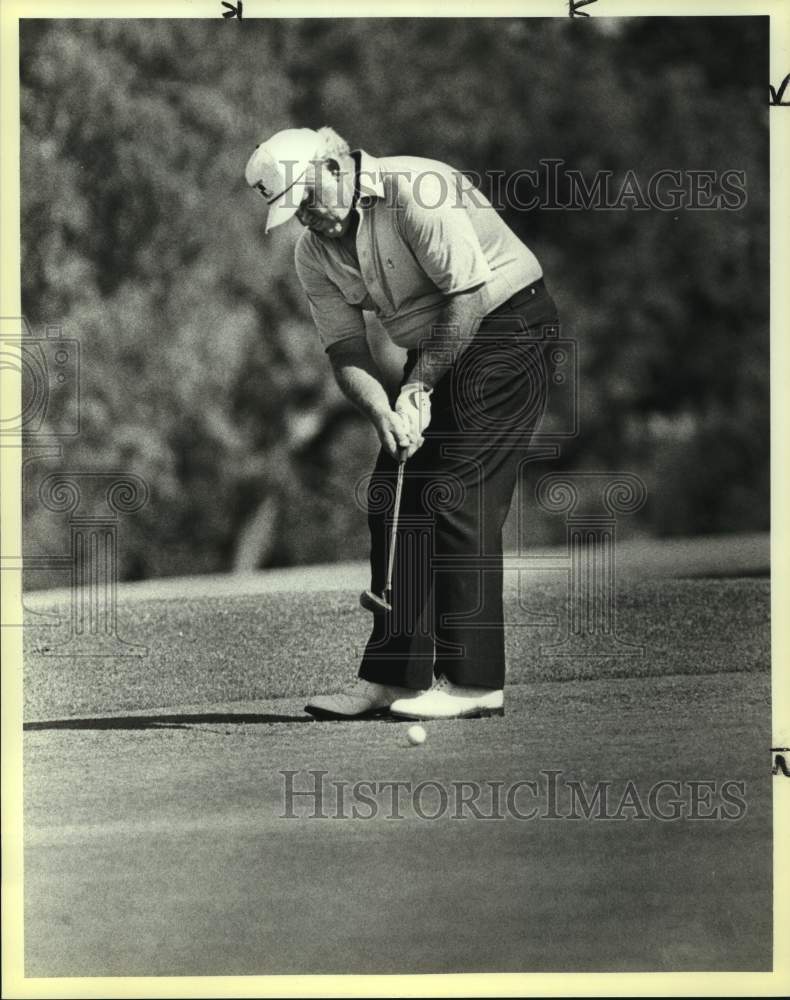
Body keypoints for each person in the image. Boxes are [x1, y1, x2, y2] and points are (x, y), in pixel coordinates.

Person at [245, 126, 559, 720]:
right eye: (294, 212)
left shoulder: (416, 190)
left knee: (455, 490)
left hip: (507, 325)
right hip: (439, 344)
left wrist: (417, 385)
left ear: (335, 166)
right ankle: (394, 679)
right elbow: (345, 351)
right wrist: (384, 410)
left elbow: (467, 296)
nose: (307, 218)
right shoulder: (313, 252)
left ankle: (474, 682)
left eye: (309, 201)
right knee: (391, 493)